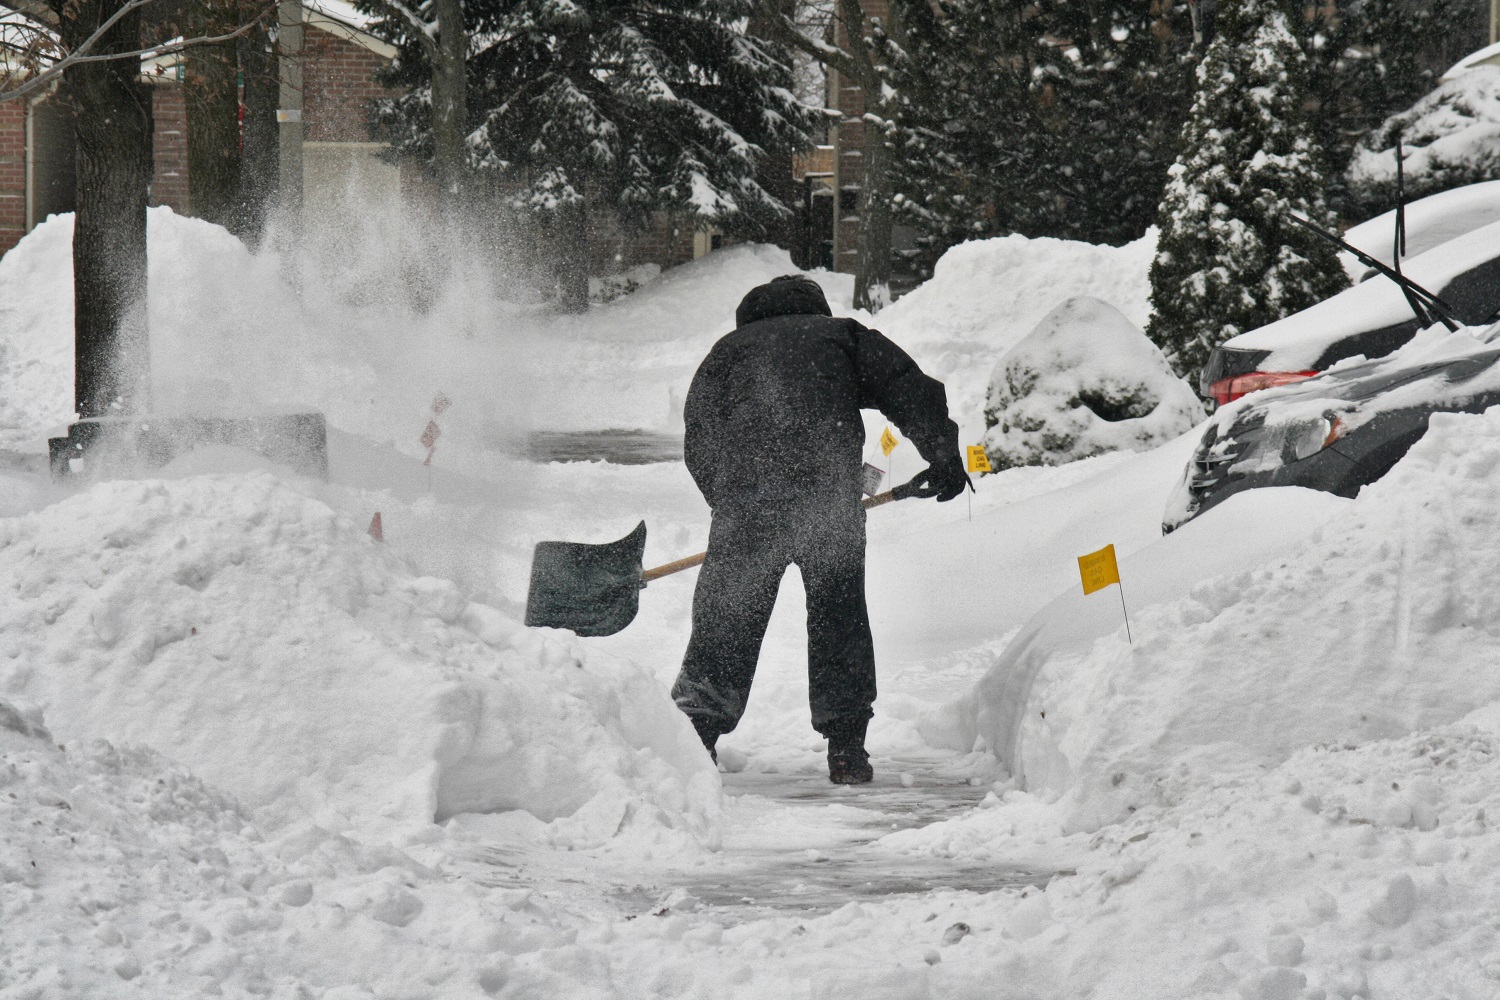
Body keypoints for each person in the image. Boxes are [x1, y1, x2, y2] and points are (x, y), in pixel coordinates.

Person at [672, 274, 967, 784]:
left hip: (749, 506)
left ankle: (697, 738)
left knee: (729, 613)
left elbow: (699, 432)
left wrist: (729, 499)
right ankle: (847, 749)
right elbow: (906, 386)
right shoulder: (839, 336)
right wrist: (941, 452)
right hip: (827, 500)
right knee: (838, 617)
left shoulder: (727, 351)